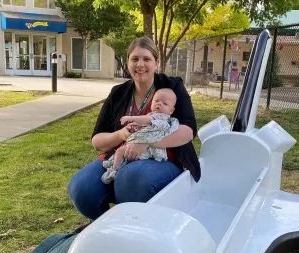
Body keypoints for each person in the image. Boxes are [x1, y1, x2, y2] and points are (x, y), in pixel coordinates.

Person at [68, 36, 201, 221]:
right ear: (128, 62)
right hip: (117, 157)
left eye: (146, 59)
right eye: (135, 59)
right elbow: (97, 140)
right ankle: (106, 226)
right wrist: (122, 134)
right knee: (81, 187)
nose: (140, 64)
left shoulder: (172, 87)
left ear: (157, 62)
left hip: (163, 159)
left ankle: (130, 231)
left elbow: (188, 131)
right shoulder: (118, 93)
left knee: (131, 178)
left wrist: (146, 141)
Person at [101, 88, 179, 184]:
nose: (159, 104)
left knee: (121, 151)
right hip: (142, 144)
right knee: (123, 149)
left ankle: (114, 170)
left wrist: (131, 118)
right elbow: (145, 126)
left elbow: (147, 120)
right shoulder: (151, 115)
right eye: (156, 101)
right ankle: (115, 162)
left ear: (171, 110)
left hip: (149, 149)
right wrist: (136, 128)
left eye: (165, 103)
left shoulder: (162, 117)